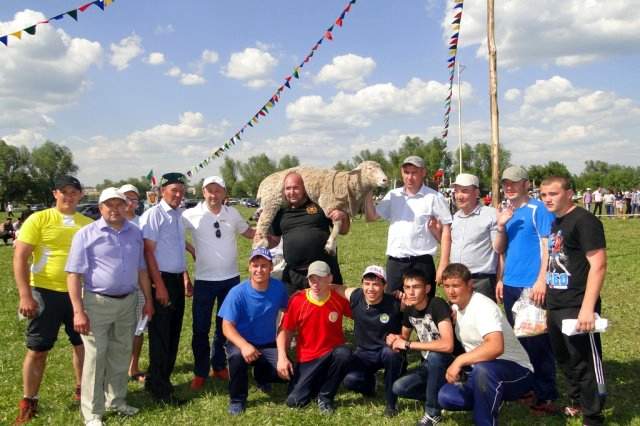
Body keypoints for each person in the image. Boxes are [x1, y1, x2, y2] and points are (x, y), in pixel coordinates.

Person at [66, 188, 154, 426]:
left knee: (121, 352)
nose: (114, 209)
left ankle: (116, 401)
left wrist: (148, 300)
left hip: (128, 301)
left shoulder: (134, 232)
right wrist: (78, 310)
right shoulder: (86, 234)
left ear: (126, 206)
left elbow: (141, 270)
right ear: (101, 208)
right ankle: (92, 413)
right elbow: (73, 274)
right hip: (97, 303)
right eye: (109, 205)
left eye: (119, 204)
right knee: (95, 357)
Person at [13, 176, 93, 425]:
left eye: (74, 192)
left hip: (78, 294)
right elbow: (20, 257)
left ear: (81, 195)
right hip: (44, 292)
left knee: (82, 346)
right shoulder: (39, 219)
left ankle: (82, 392)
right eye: (64, 192)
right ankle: (29, 401)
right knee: (38, 350)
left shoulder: (88, 223)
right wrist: (25, 294)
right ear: (55, 193)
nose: (68, 197)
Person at [540, 176, 607, 426]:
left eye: (553, 194)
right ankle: (577, 401)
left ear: (570, 193)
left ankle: (593, 415)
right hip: (556, 301)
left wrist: (587, 308)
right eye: (544, 194)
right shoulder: (557, 222)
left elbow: (598, 265)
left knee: (584, 361)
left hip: (577, 303)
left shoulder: (585, 221)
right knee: (564, 358)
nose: (547, 198)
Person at [494, 166, 559, 414]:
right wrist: (501, 226)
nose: (509, 187)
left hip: (531, 286)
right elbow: (501, 250)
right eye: (506, 183)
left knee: (538, 341)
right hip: (510, 284)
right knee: (519, 340)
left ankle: (546, 394)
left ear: (525, 184)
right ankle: (528, 387)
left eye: (514, 183)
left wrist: (542, 280)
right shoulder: (507, 212)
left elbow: (548, 247)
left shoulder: (538, 209)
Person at [182, 176, 255, 390]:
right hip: (204, 280)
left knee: (224, 327)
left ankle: (219, 366)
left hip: (230, 280)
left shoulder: (232, 213)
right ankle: (200, 372)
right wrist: (190, 248)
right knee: (200, 328)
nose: (213, 195)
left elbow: (249, 233)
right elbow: (173, 235)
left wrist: (272, 232)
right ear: (203, 192)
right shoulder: (190, 214)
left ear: (224, 193)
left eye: (218, 190)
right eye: (209, 190)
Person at [438, 263, 534, 426]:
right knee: (446, 396)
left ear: (470, 285)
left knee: (483, 371)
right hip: (481, 372)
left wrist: (459, 360)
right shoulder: (456, 308)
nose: (450, 291)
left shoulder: (483, 307)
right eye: (446, 286)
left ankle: (485, 421)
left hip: (517, 371)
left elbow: (496, 347)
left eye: (456, 285)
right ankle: (491, 397)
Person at [365, 155, 452, 297]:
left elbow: (447, 231)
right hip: (396, 262)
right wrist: (367, 191)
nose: (409, 177)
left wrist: (443, 264)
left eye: (414, 173)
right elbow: (372, 217)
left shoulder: (434, 198)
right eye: (406, 172)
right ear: (401, 172)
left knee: (423, 309)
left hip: (422, 262)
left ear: (423, 173)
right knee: (393, 308)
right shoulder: (393, 195)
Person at [140, 172, 192, 404]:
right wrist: (159, 286)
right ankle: (160, 389)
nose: (179, 195)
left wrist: (185, 277)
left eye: (181, 191)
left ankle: (158, 379)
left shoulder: (177, 216)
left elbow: (176, 249)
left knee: (173, 332)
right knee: (161, 335)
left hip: (175, 279)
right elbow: (148, 251)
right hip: (160, 280)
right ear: (162, 191)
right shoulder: (154, 215)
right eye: (174, 191)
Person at [218, 247, 289, 415]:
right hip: (241, 342)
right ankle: (237, 399)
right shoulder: (237, 293)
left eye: (264, 265)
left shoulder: (278, 288)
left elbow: (287, 314)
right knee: (236, 357)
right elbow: (226, 327)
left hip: (267, 342)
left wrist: (283, 353)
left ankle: (261, 375)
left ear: (271, 268)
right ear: (249, 267)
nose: (259, 270)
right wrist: (244, 346)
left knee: (287, 373)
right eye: (255, 265)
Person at [277, 260, 352, 414]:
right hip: (308, 359)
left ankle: (325, 397)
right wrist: (282, 357)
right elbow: (285, 330)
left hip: (332, 354)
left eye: (321, 278)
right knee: (295, 402)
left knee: (344, 353)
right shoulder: (298, 300)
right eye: (312, 279)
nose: (316, 283)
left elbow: (363, 313)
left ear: (330, 278)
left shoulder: (338, 298)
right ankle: (320, 382)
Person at [331, 265, 404, 417]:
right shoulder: (356, 296)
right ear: (362, 284)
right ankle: (371, 385)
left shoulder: (396, 303)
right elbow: (336, 287)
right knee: (350, 381)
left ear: (385, 286)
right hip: (364, 353)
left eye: (376, 284)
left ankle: (391, 403)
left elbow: (419, 305)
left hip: (387, 351)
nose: (371, 288)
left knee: (391, 354)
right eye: (367, 283)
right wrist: (314, 288)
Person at [387, 269, 454, 426]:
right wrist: (395, 339)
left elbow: (448, 345)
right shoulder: (409, 309)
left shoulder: (437, 305)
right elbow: (404, 337)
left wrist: (409, 345)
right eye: (407, 287)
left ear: (427, 288)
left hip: (448, 362)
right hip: (428, 365)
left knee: (435, 356)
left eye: (416, 287)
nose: (411, 292)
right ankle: (441, 397)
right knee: (399, 387)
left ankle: (432, 413)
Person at [271, 172, 349, 295]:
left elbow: (344, 230)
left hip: (323, 273)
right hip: (294, 276)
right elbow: (274, 240)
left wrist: (343, 216)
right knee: (295, 312)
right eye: (288, 188)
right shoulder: (280, 213)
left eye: (296, 187)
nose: (292, 192)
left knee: (327, 311)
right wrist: (260, 237)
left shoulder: (319, 205)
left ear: (304, 188)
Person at [450, 173, 500, 301]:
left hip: (480, 281)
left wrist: (501, 279)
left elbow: (500, 251)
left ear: (476, 193)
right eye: (456, 191)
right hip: (457, 280)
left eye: (465, 191)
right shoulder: (455, 217)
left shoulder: (491, 215)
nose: (459, 196)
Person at [116, 184, 147, 383]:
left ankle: (133, 367)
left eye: (134, 199)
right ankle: (115, 368)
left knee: (139, 328)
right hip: (116, 286)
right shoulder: (109, 222)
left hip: (139, 283)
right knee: (117, 330)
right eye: (126, 198)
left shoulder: (142, 223)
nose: (130, 203)